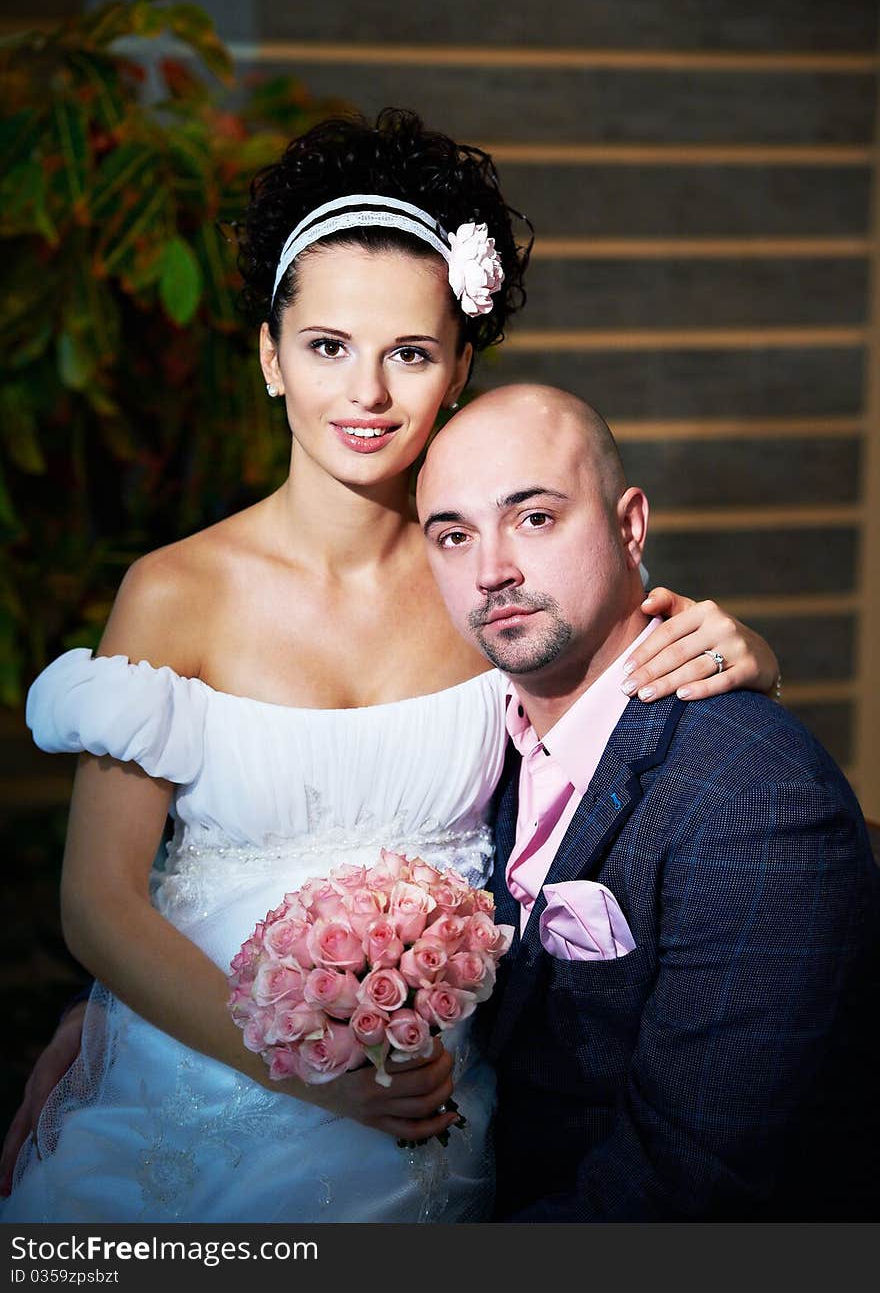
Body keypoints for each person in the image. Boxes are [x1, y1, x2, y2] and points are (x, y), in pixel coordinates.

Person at [1, 111, 779, 1222]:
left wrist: (743, 649)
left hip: (430, 1094)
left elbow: (621, 694)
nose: (365, 394)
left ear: (458, 367)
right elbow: (99, 904)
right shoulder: (175, 592)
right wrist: (305, 1074)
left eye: (408, 353)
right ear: (271, 358)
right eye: (327, 347)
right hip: (203, 1082)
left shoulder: (489, 581)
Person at [416, 383, 880, 1222]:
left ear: (630, 526)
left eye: (535, 518)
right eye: (454, 536)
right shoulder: (469, 747)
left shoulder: (757, 804)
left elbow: (689, 1188)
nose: (492, 571)